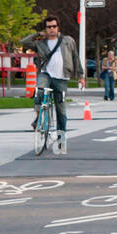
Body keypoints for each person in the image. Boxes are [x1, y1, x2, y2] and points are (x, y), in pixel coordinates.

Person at [21, 16, 84, 154]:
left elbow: (75, 57)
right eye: (48, 27)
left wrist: (80, 76)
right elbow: (23, 42)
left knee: (61, 110)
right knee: (39, 90)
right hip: (46, 74)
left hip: (61, 78)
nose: (51, 29)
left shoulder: (68, 41)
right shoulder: (40, 43)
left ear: (58, 27)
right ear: (45, 28)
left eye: (54, 26)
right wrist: (38, 34)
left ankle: (61, 140)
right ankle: (39, 118)